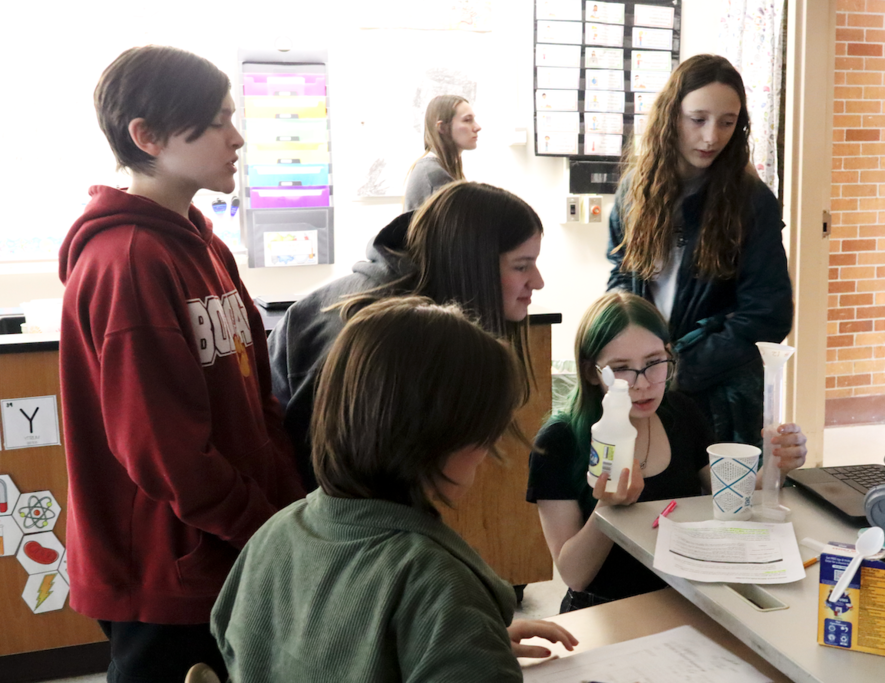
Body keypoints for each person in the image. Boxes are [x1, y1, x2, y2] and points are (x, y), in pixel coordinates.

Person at [58, 46, 304, 682]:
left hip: (231, 549)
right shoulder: (128, 261)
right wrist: (264, 527)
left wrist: (285, 508)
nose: (238, 137)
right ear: (148, 136)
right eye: (217, 121)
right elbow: (163, 451)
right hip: (170, 572)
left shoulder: (198, 238)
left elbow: (257, 396)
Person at [213, 298, 577, 681]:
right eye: (485, 435)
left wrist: (472, 642)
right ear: (440, 440)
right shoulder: (439, 586)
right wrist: (462, 637)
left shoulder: (274, 534)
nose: (486, 455)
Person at [527, 292, 806, 612]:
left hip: (685, 597)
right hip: (603, 609)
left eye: (654, 363)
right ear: (593, 372)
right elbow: (574, 575)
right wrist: (607, 506)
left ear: (669, 355)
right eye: (622, 369)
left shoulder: (680, 413)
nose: (643, 383)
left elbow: (729, 497)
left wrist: (777, 464)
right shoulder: (558, 442)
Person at [269, 180, 545, 490]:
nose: (538, 282)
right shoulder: (387, 337)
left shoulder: (417, 317)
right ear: (471, 263)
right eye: (522, 267)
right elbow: (341, 480)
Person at [607, 54, 794, 448]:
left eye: (727, 122)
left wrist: (678, 367)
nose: (712, 137)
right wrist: (624, 351)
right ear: (671, 116)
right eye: (698, 120)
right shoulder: (634, 191)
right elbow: (622, 278)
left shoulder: (752, 201)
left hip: (721, 398)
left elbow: (768, 314)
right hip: (646, 385)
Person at [403, 94, 481, 211]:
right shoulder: (433, 173)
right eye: (467, 120)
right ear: (442, 128)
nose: (477, 127)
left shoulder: (438, 169)